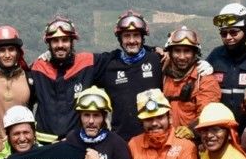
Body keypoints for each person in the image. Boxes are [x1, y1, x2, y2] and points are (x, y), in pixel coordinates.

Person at [93, 11, 163, 140]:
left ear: (142, 38)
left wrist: (202, 67)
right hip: (121, 140)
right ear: (120, 39)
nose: (131, 41)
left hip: (154, 139)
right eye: (126, 36)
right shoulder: (108, 65)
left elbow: (183, 69)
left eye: (136, 35)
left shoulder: (157, 60)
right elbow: (78, 73)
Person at [31, 15, 97, 140]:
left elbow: (118, 62)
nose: (60, 45)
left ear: (72, 42)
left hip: (76, 142)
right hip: (43, 143)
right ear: (49, 44)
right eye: (55, 41)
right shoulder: (37, 68)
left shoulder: (88, 64)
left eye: (65, 40)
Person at [205, 3, 246, 131]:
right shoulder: (215, 55)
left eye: (233, 32)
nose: (228, 38)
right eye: (224, 34)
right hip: (222, 132)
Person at [161, 26, 221, 139]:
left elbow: (208, 113)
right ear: (170, 53)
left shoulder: (204, 79)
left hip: (195, 141)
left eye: (187, 51)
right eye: (177, 51)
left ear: (195, 53)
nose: (182, 57)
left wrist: (192, 131)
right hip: (167, 141)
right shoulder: (164, 75)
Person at [0, 25, 35, 148]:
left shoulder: (30, 78)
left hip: (23, 145)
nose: (7, 55)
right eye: (2, 50)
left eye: (11, 49)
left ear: (18, 53)